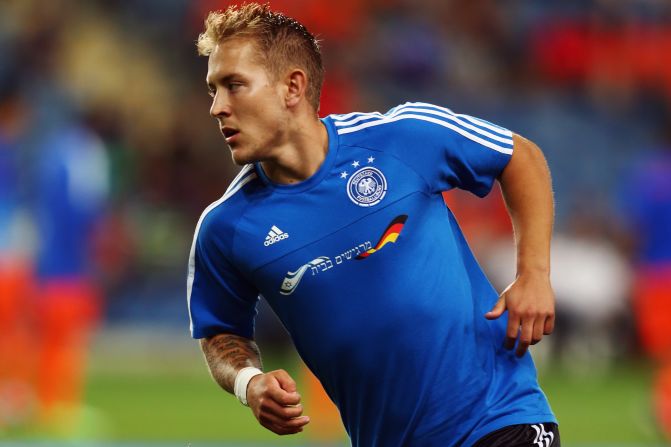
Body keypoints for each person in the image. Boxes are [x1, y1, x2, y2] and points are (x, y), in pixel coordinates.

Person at [186, 4, 558, 446]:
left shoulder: (402, 136)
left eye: (233, 86)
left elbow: (519, 157)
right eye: (213, 89)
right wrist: (248, 382)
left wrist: (533, 273)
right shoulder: (225, 227)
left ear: (292, 87)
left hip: (499, 419)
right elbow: (219, 331)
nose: (216, 107)